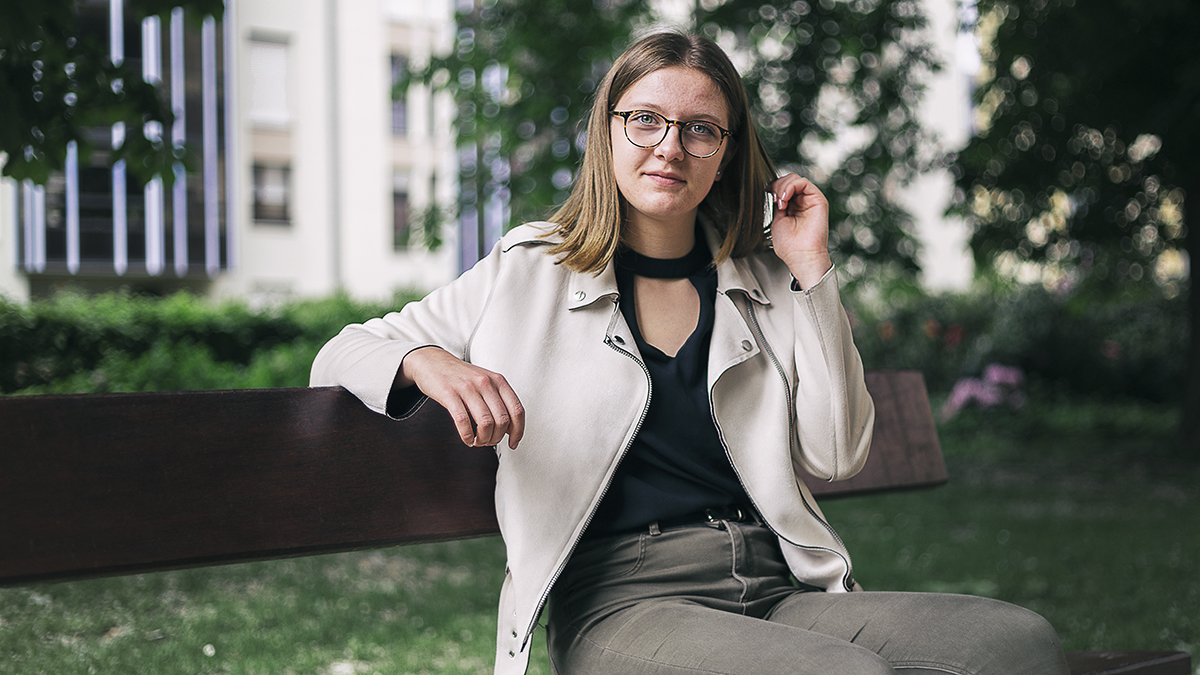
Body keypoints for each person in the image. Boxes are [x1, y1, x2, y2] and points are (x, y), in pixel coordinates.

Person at [311, 30, 1070, 675]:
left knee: (1018, 643)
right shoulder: (530, 268)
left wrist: (812, 273)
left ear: (726, 152)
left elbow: (837, 453)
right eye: (646, 119)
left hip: (775, 587)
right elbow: (344, 350)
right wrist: (427, 361)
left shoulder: (766, 281)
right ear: (607, 131)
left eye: (700, 129)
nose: (670, 146)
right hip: (622, 606)